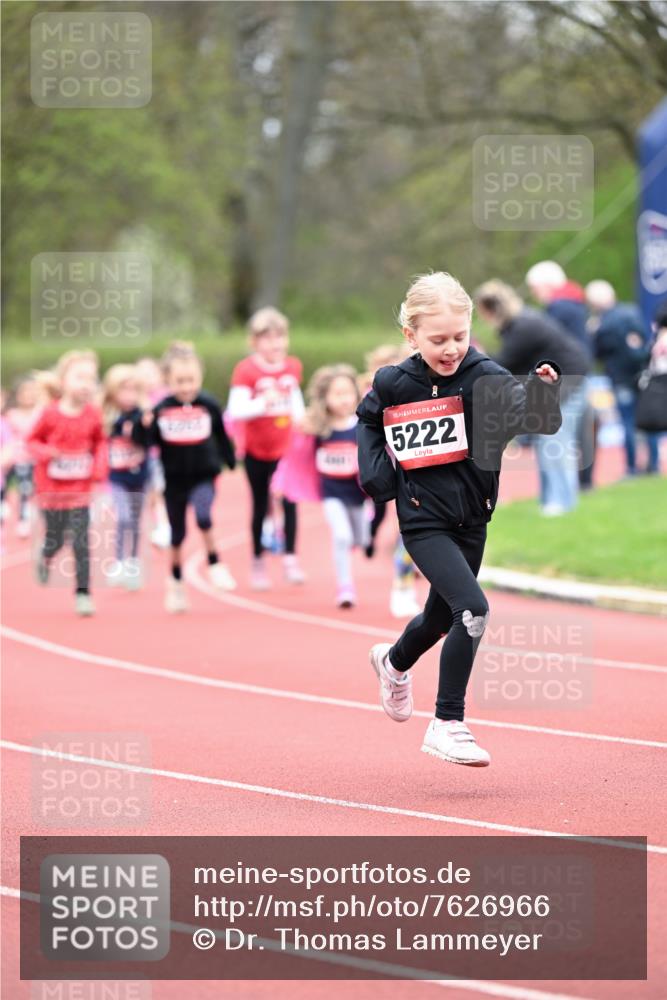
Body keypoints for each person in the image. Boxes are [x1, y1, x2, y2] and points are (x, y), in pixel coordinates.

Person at [357, 272, 562, 767]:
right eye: (438, 340)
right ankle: (448, 722)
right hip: (423, 518)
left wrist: (540, 392)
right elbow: (367, 420)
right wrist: (376, 473)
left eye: (459, 337)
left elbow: (535, 422)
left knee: (439, 616)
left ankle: (393, 661)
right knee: (471, 608)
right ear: (411, 336)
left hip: (473, 516)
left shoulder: (485, 376)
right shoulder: (393, 381)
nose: (451, 349)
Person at [134, 342, 237, 613]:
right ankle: (176, 582)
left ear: (199, 377)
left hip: (204, 475)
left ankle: (215, 564)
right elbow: (147, 442)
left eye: (191, 380)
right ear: (168, 381)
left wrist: (230, 459)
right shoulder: (161, 409)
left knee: (204, 516)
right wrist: (142, 427)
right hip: (174, 480)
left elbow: (221, 435)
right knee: (177, 536)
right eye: (179, 381)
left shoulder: (208, 404)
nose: (186, 386)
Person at [475, 280, 590, 515]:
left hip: (567, 380)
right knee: (547, 441)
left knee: (554, 441)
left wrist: (477, 358)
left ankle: (562, 503)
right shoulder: (522, 321)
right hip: (557, 380)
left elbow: (503, 364)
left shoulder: (523, 327)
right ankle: (551, 501)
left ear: (490, 309)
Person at [227, 307, 306, 590]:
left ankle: (291, 558)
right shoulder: (246, 370)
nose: (276, 344)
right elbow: (236, 409)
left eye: (280, 337)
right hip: (256, 449)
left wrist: (303, 422)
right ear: (255, 342)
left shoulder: (292, 366)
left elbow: (296, 401)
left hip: (286, 449)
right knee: (260, 503)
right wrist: (264, 402)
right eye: (268, 339)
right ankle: (258, 561)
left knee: (290, 501)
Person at [27, 351, 107, 616]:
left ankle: (83, 593)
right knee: (56, 538)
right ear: (63, 381)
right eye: (79, 377)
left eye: (91, 379)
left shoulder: (94, 414)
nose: (86, 384)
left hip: (80, 492)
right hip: (51, 491)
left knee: (81, 542)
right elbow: (31, 441)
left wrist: (98, 468)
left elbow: (100, 443)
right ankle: (46, 555)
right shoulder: (49, 414)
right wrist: (46, 453)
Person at [359, 344, 420, 619]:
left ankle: (405, 585)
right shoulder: (373, 397)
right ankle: (401, 588)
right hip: (387, 472)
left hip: (416, 471)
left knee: (408, 531)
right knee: (405, 530)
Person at [302, 364, 370, 608]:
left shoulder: (362, 424)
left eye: (347, 393)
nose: (343, 399)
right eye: (336, 394)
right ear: (325, 397)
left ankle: (365, 527)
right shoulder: (319, 427)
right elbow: (298, 454)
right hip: (331, 493)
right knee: (341, 537)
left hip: (358, 494)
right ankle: (345, 587)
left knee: (361, 540)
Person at [526, 260, 595, 487]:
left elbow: (550, 347)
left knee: (558, 436)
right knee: (582, 432)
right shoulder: (575, 304)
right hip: (582, 372)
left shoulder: (558, 308)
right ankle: (584, 483)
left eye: (535, 289)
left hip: (566, 376)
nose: (535, 295)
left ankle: (563, 492)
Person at [586, 280, 660, 476]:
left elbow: (597, 353)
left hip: (621, 377)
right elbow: (644, 341)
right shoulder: (631, 312)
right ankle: (653, 463)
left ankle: (632, 466)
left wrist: (593, 333)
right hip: (640, 375)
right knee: (647, 420)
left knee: (628, 421)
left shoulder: (603, 324)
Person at [102, 364, 150, 590]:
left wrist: (143, 427)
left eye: (134, 390)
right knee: (123, 517)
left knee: (137, 521)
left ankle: (133, 562)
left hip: (140, 476)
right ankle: (118, 560)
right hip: (117, 477)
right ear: (113, 392)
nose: (129, 396)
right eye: (124, 390)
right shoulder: (106, 417)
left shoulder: (143, 415)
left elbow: (150, 442)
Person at [3, 374, 48, 537]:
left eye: (32, 391)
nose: (28, 395)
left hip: (35, 460)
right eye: (25, 391)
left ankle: (29, 517)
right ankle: (11, 510)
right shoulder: (11, 415)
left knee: (30, 488)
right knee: (17, 485)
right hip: (15, 459)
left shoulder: (42, 413)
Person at [135, 356, 171, 548]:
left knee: (158, 492)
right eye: (142, 374)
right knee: (150, 495)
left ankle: (164, 526)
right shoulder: (134, 400)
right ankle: (159, 524)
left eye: (151, 373)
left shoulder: (166, 397)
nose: (147, 379)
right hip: (141, 457)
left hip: (162, 455)